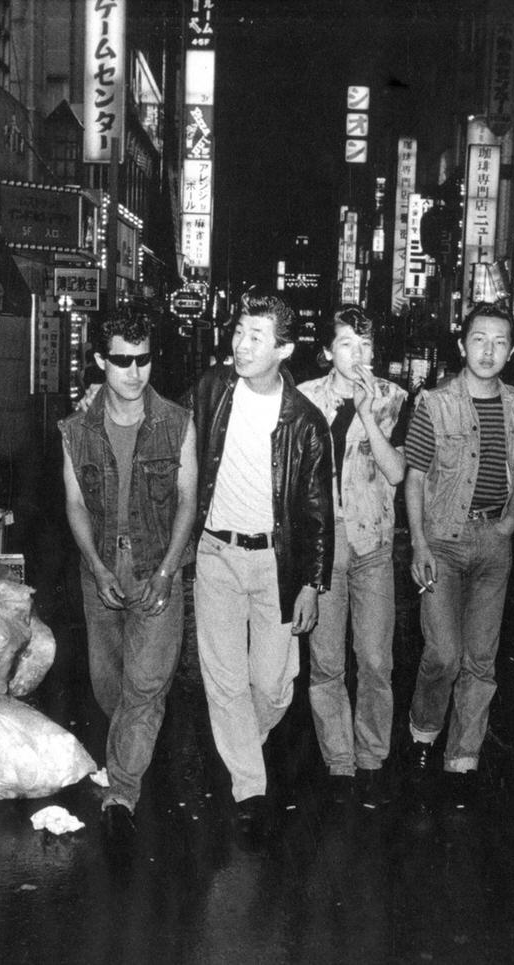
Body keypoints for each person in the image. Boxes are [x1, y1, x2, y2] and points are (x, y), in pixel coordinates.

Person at [188, 289, 333, 843]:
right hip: (216, 554)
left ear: (284, 349)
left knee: (272, 685)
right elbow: (166, 426)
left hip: (277, 561)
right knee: (224, 680)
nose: (241, 345)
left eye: (256, 337)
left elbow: (318, 509)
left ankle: (241, 740)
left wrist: (312, 583)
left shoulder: (305, 421)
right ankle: (250, 785)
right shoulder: (210, 391)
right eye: (239, 332)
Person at [59, 310, 198, 848]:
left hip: (156, 568)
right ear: (101, 362)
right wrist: (94, 567)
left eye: (142, 360)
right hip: (102, 569)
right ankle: (133, 747)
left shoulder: (177, 423)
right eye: (121, 361)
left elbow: (188, 501)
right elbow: (73, 503)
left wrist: (168, 569)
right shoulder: (76, 430)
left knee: (145, 687)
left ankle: (122, 792)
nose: (134, 373)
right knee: (109, 685)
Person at [403, 302, 514, 805]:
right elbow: (415, 477)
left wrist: (509, 520)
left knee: (481, 659)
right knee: (443, 653)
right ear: (463, 345)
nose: (489, 351)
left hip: (492, 546)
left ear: (512, 351)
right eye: (479, 340)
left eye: (500, 342)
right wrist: (418, 543)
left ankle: (463, 755)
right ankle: (423, 731)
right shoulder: (434, 404)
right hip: (441, 540)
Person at [297, 306, 408, 808]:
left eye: (364, 345)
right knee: (325, 661)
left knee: (376, 657)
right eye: (345, 344)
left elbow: (397, 472)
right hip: (322, 541)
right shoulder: (301, 400)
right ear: (327, 351)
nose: (357, 355)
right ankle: (338, 758)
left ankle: (373, 755)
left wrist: (366, 411)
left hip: (373, 541)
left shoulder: (393, 397)